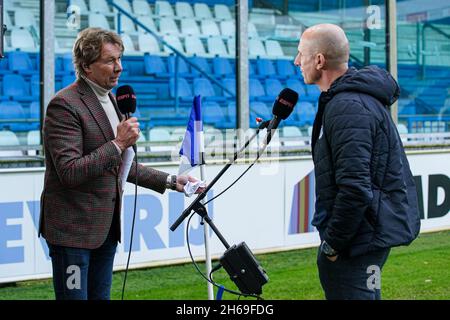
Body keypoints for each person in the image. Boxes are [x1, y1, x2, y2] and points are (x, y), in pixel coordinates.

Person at [38, 28, 204, 300]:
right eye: (110, 60)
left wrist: (172, 181)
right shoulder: (64, 105)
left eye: (120, 59)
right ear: (87, 66)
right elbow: (70, 171)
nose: (120, 67)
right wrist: (117, 143)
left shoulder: (113, 101)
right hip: (73, 234)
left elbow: (120, 166)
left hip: (105, 229)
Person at [294, 24, 420, 300]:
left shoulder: (348, 107)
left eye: (301, 54)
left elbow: (355, 187)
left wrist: (333, 245)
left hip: (357, 243)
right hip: (363, 238)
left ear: (319, 60)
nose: (296, 61)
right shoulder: (349, 101)